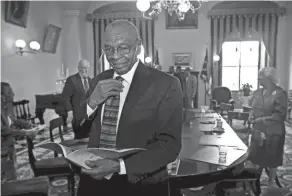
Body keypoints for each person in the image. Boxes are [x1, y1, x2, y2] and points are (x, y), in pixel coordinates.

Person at [76, 19, 183, 196]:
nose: (115, 56)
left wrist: (119, 166)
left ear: (138, 47)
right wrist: (92, 102)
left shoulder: (166, 84)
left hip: (141, 185)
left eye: (123, 48)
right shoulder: (97, 81)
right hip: (94, 184)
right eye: (108, 49)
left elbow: (169, 145)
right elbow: (79, 130)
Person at [248, 67, 287, 188]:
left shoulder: (280, 93)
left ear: (269, 78)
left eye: (261, 76)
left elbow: (280, 115)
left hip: (274, 131)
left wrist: (262, 120)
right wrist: (251, 115)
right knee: (255, 156)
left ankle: (271, 184)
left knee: (272, 158)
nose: (258, 78)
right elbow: (253, 108)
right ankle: (254, 180)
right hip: (258, 130)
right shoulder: (257, 92)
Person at [1, 82, 36, 183]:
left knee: (12, 172)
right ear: (1, 96)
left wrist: (26, 124)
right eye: (10, 92)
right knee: (7, 179)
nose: (13, 94)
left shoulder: (7, 105)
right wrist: (25, 133)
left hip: (9, 146)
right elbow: (5, 131)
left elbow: (13, 120)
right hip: (2, 150)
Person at [61, 60, 92, 139]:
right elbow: (65, 97)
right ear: (79, 68)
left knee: (90, 138)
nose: (86, 70)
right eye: (84, 68)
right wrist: (70, 112)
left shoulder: (90, 80)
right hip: (77, 116)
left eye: (87, 68)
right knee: (80, 139)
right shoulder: (72, 80)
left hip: (89, 115)